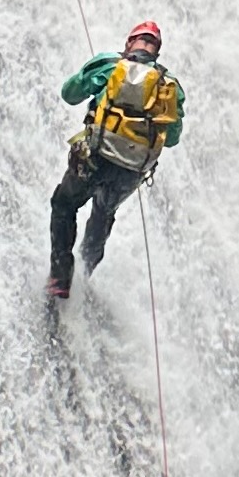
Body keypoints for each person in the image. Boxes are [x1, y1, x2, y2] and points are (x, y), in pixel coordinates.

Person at [47, 20, 185, 300]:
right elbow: (172, 138)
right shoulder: (169, 85)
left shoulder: (109, 65)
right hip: (130, 170)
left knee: (64, 203)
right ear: (156, 52)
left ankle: (61, 277)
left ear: (129, 42)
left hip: (94, 158)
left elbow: (69, 93)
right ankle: (86, 273)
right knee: (103, 213)